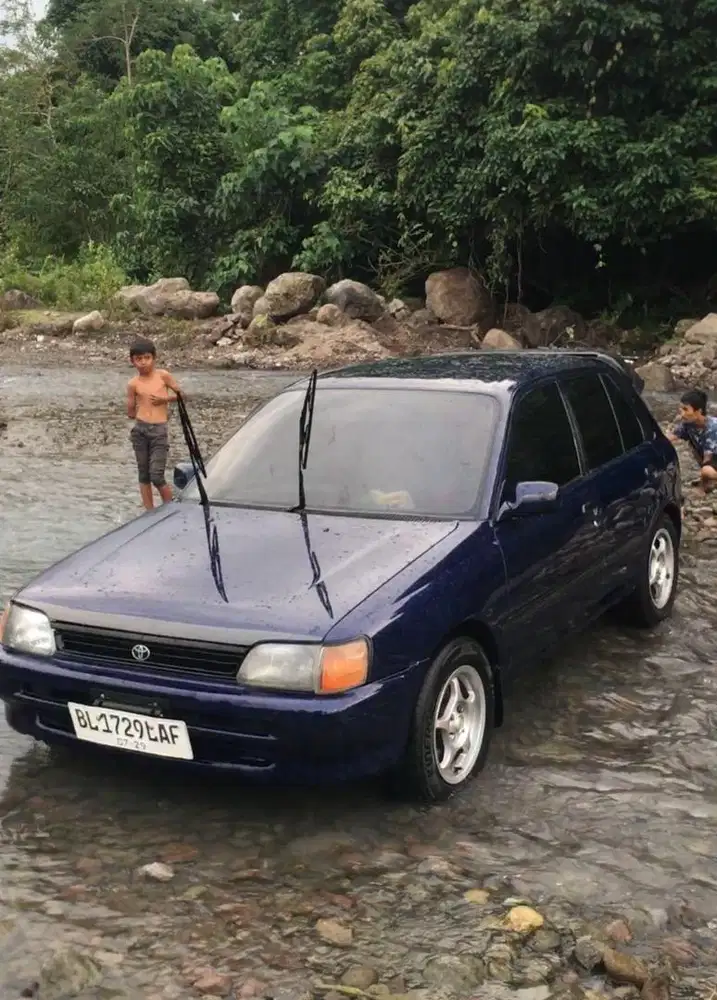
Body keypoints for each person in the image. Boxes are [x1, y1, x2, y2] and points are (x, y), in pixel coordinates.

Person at [126, 338, 182, 510]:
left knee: (156, 475)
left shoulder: (162, 376)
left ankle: (170, 508)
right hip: (140, 429)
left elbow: (182, 395)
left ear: (154, 358)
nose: (143, 362)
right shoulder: (133, 383)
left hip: (159, 430)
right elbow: (130, 410)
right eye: (138, 359)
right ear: (132, 361)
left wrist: (165, 399)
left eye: (147, 358)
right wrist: (132, 410)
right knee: (143, 475)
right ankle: (149, 512)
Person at [666, 388, 717, 493]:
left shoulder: (712, 428)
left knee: (706, 470)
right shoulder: (688, 425)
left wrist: (701, 486)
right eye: (681, 410)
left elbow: (707, 459)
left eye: (686, 409)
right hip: (712, 460)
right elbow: (669, 438)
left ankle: (709, 482)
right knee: (693, 447)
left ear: (699, 411)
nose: (682, 414)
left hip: (711, 458)